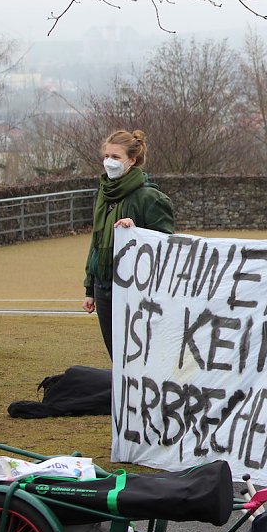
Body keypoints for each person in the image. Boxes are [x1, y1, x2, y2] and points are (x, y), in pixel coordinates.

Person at [83, 130, 175, 360]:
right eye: (107, 156)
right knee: (116, 354)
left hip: (134, 288)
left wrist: (136, 231)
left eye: (116, 157)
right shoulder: (104, 193)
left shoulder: (150, 198)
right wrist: (90, 287)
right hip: (104, 286)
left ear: (132, 160)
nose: (109, 162)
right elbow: (97, 241)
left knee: (137, 354)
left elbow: (166, 243)